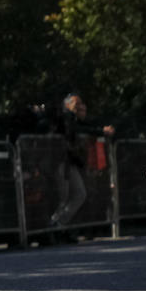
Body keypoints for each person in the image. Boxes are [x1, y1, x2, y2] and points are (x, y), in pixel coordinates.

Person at [48, 92, 114, 242]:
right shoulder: (65, 117)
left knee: (79, 194)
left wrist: (101, 130)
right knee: (63, 197)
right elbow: (76, 130)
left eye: (80, 104)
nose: (78, 107)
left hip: (70, 163)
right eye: (75, 104)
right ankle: (53, 227)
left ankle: (59, 224)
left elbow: (84, 126)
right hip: (60, 162)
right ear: (67, 105)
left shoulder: (73, 118)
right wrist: (100, 131)